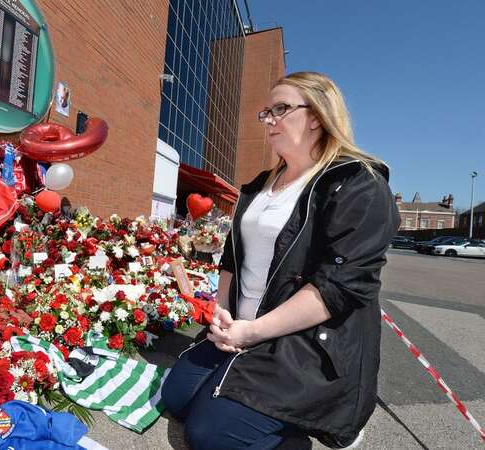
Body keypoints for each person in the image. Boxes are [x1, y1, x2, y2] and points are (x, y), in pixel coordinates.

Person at [161, 71, 400, 450]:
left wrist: (252, 332)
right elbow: (232, 257)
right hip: (240, 325)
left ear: (318, 117)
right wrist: (222, 311)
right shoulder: (258, 185)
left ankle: (317, 428)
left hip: (298, 342)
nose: (269, 119)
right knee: (175, 398)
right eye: (266, 112)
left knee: (209, 435)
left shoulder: (358, 183)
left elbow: (338, 286)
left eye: (281, 109)